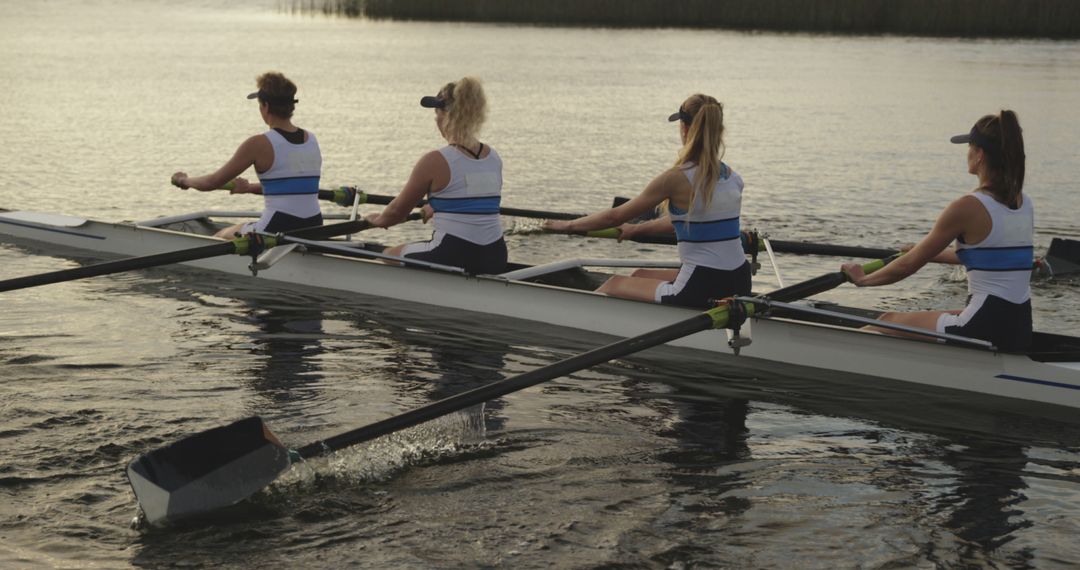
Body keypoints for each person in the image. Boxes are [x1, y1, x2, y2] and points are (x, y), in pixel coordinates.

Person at [842, 110, 1032, 351]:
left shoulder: (967, 207)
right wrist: (926, 252)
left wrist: (863, 279)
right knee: (927, 318)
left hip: (982, 325)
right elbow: (989, 256)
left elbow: (907, 266)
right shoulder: (1022, 202)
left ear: (980, 155)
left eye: (969, 147)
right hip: (1018, 326)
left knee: (886, 321)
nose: (967, 154)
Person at [544, 94, 751, 309]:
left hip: (703, 286)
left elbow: (615, 216)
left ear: (685, 128)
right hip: (740, 279)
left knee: (614, 284)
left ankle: (576, 320)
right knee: (640, 275)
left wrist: (567, 226)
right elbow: (686, 221)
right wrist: (636, 231)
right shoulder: (733, 178)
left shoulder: (676, 178)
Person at [365, 76, 507, 275]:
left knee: (387, 255)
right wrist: (438, 205)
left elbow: (397, 212)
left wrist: (377, 220)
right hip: (495, 256)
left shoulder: (434, 160)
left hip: (453, 254)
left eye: (436, 113)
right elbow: (472, 197)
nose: (435, 119)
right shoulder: (493, 157)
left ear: (445, 115)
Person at [170, 71, 323, 239]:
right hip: (314, 227)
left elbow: (211, 182)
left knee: (219, 236)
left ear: (265, 106)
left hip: (275, 230)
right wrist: (249, 188)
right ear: (291, 106)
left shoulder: (258, 144)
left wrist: (183, 180)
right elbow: (293, 187)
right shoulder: (311, 140)